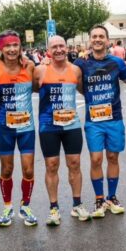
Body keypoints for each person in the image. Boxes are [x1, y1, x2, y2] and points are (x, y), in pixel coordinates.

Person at [74, 24, 126, 218]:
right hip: (93, 120)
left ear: (107, 40)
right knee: (96, 159)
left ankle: (112, 197)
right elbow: (76, 84)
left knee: (113, 158)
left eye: (101, 36)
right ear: (90, 40)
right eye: (94, 36)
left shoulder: (117, 62)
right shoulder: (81, 63)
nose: (98, 39)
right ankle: (99, 199)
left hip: (114, 118)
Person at [35, 35, 90, 225]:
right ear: (48, 51)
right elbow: (24, 90)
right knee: (51, 165)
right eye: (54, 47)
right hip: (48, 125)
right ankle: (54, 209)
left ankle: (77, 204)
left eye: (61, 46)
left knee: (74, 163)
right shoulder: (40, 70)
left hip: (71, 125)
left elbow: (85, 91)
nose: (58, 50)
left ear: (66, 48)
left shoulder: (76, 70)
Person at [0, 30, 38, 227]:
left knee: (28, 169)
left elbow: (39, 85)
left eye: (15, 45)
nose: (11, 49)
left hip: (26, 127)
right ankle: (7, 207)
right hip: (4, 128)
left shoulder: (30, 66)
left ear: (20, 47)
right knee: (7, 169)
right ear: (0, 48)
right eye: (7, 46)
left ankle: (26, 206)